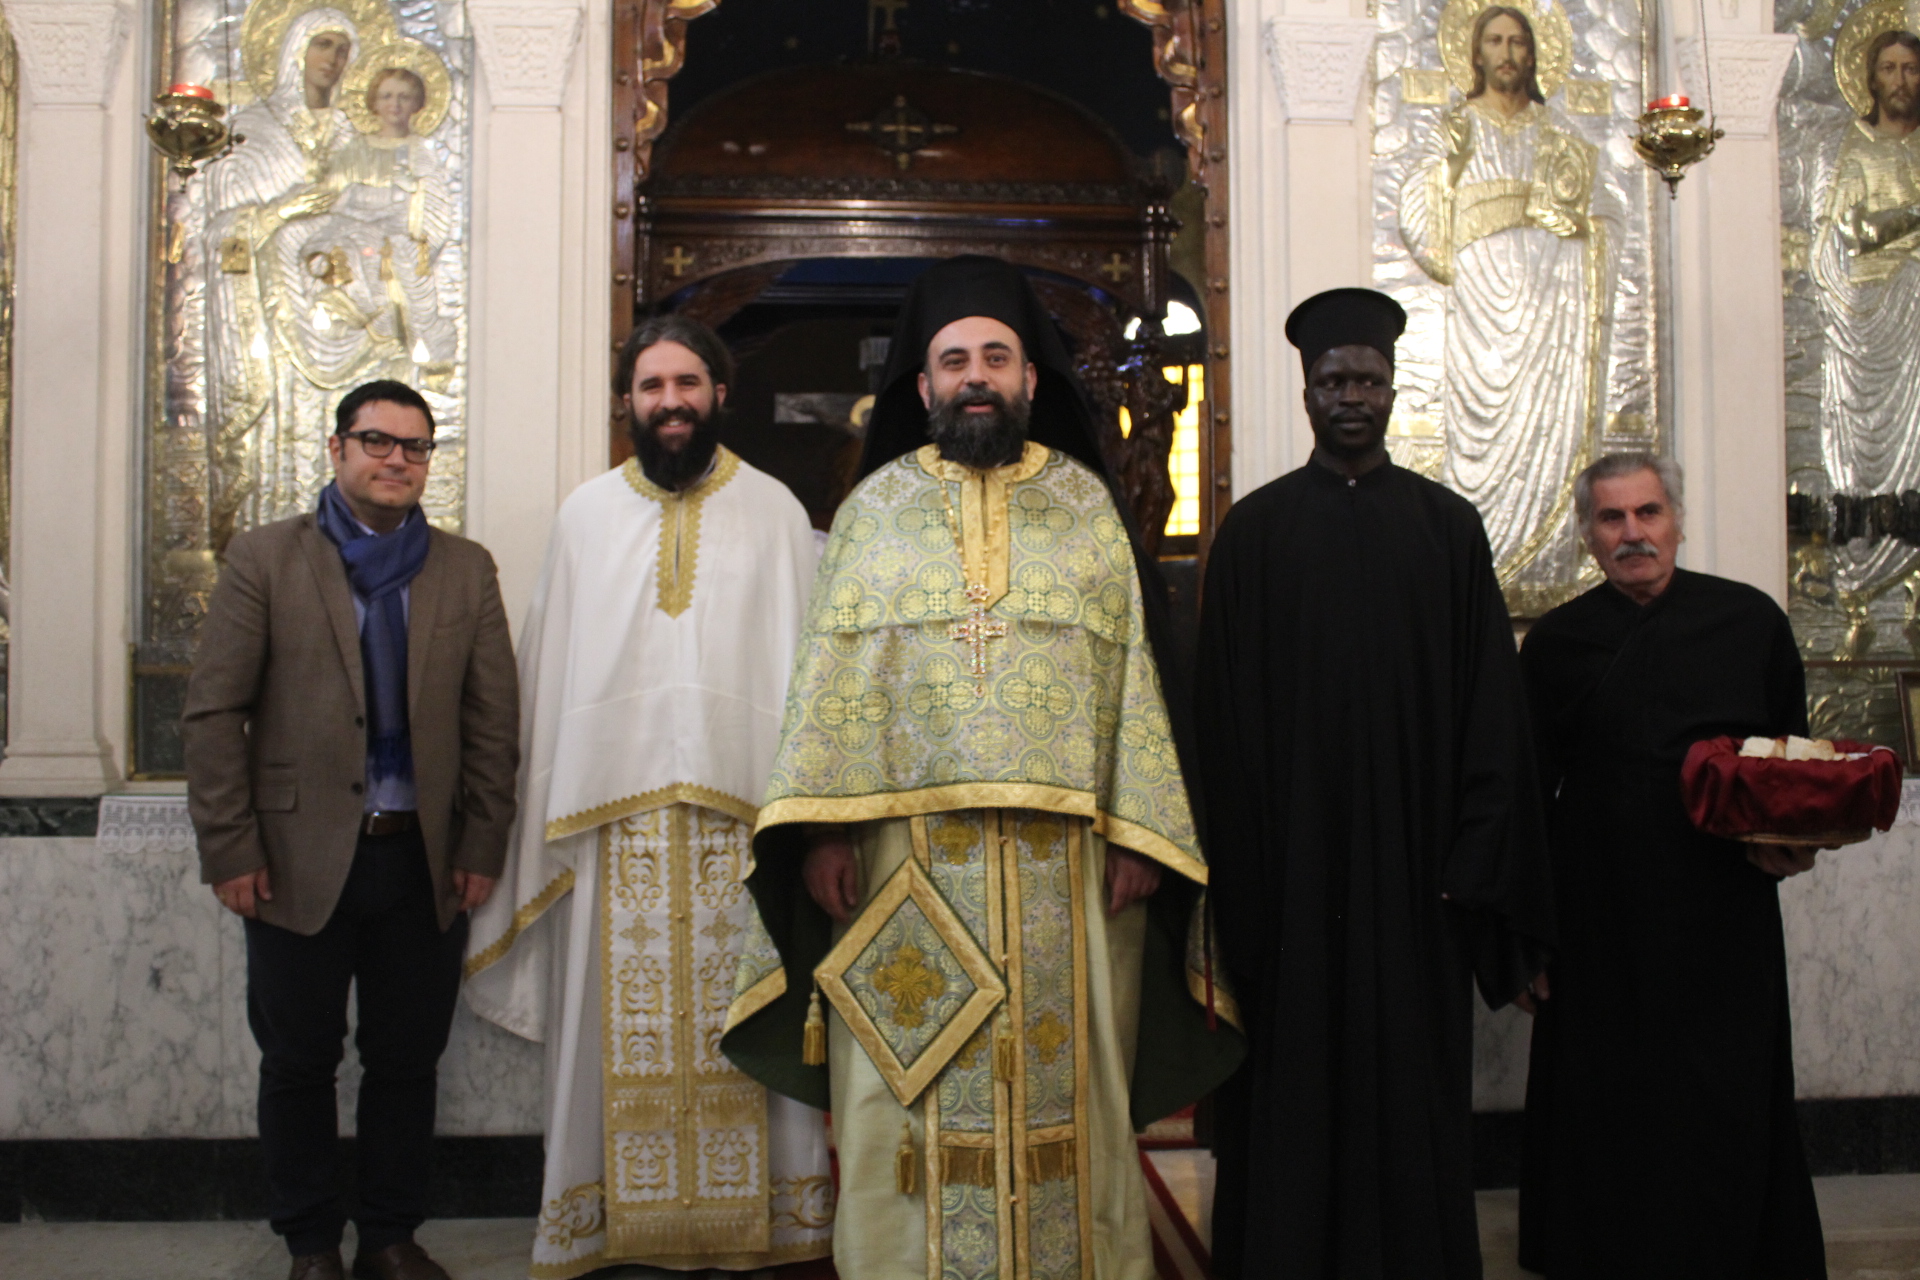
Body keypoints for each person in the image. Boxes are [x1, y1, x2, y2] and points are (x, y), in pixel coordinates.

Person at [721, 255, 1241, 1280]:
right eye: (954, 360)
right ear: (921, 384)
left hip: (1067, 870)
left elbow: (1132, 682)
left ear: (1030, 377)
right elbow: (830, 681)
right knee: (906, 1094)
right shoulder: (873, 511)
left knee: (1071, 1088)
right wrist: (822, 831)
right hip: (903, 864)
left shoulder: (1086, 507)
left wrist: (1141, 833)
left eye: (995, 358)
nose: (975, 377)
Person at [1193, 287, 1554, 1279]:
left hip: (1416, 884)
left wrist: (1472, 864)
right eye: (1332, 381)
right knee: (1292, 1084)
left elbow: (1492, 713)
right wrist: (1239, 878)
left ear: (1393, 390)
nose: (1351, 397)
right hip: (1289, 888)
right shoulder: (1254, 535)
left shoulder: (1447, 529)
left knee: (1410, 1087)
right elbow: (1220, 724)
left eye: (1367, 380)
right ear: (1306, 392)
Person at [463, 316, 834, 1276]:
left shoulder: (776, 512)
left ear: (720, 393)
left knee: (750, 1022)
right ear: (626, 401)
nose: (671, 402)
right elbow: (549, 677)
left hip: (743, 839)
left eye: (687, 383)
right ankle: (603, 1224)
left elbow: (808, 676)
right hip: (611, 832)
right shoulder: (585, 517)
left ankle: (771, 1225)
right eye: (651, 386)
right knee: (607, 1034)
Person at [183, 379, 519, 1280]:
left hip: (423, 861)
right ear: (337, 449)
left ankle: (389, 1237)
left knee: (407, 1061)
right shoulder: (266, 558)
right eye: (377, 441)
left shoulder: (465, 569)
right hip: (292, 861)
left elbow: (493, 724)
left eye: (415, 446)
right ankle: (309, 1245)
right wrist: (231, 847)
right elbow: (213, 715)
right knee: (299, 1061)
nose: (396, 459)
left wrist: (481, 845)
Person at [1516, 452, 1827, 1278]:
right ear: (1588, 536)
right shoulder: (1554, 644)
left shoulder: (1749, 622)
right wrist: (1528, 934)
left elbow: (1792, 765)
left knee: (1724, 1095)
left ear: (1677, 522)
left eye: (1648, 513)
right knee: (1609, 1101)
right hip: (1598, 915)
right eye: (1612, 519)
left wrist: (1794, 843)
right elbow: (1526, 796)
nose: (1633, 534)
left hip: (1721, 911)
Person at [1398, 2, 1609, 581]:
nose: (1507, 53)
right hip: (1479, 306)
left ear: (1534, 56)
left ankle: (1545, 560)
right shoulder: (1456, 128)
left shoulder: (1555, 133)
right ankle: (1477, 560)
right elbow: (1419, 213)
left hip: (1549, 306)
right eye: (1495, 41)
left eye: (1518, 42)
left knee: (1547, 433)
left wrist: (1576, 232)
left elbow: (1593, 218)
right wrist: (1451, 170)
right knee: (1479, 433)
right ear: (1476, 54)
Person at [1810, 27, 1920, 648]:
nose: (1900, 81)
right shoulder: (1853, 147)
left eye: (1911, 69)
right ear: (1870, 78)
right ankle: (1862, 585)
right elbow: (1849, 234)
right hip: (1870, 319)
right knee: (1867, 451)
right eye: (1889, 68)